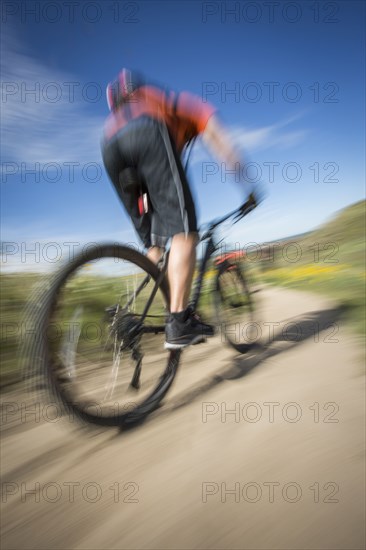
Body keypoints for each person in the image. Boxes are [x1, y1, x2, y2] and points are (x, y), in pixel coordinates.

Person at [101, 68, 250, 349]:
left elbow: (147, 191)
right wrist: (246, 184)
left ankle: (132, 318)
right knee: (185, 232)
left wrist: (150, 220)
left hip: (109, 146)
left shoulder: (117, 118)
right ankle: (179, 321)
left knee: (154, 246)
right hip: (148, 134)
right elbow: (218, 138)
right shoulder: (171, 102)